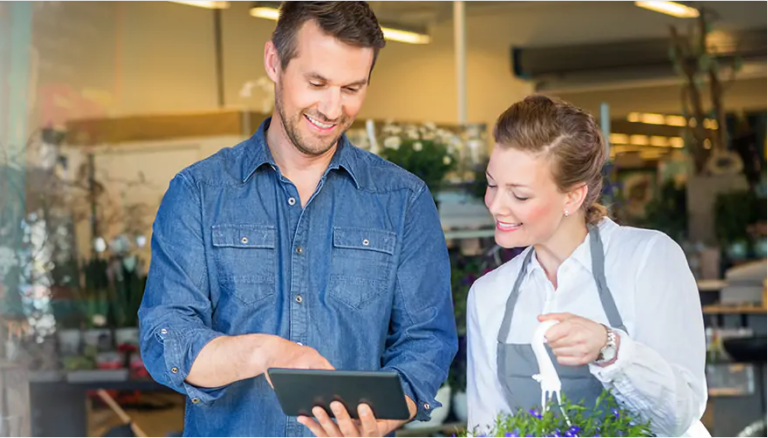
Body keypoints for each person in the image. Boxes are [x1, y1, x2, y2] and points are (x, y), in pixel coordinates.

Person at [138, 2, 457, 436]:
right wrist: (263, 353)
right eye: (317, 82)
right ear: (274, 62)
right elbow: (166, 336)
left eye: (352, 88)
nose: (332, 108)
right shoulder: (198, 193)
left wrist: (383, 416)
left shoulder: (403, 200)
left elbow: (427, 342)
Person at [466, 96, 708, 437]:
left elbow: (680, 414)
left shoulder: (648, 259)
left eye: (519, 195)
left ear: (573, 197)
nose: (496, 206)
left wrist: (609, 348)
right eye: (492, 185)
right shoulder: (489, 294)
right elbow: (487, 428)